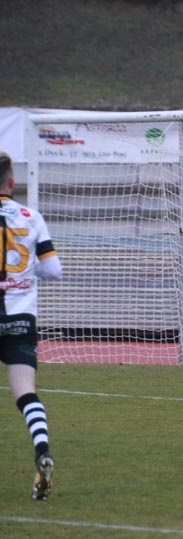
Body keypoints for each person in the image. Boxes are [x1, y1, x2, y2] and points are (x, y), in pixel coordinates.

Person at [0, 151, 63, 500]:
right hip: (20, 318)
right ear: (12, 181)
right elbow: (54, 269)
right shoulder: (30, 216)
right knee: (26, 392)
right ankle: (42, 449)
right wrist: (24, 274)